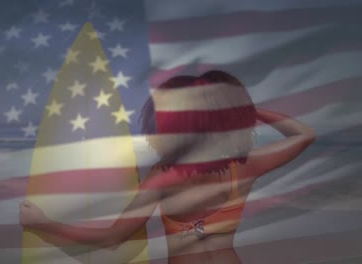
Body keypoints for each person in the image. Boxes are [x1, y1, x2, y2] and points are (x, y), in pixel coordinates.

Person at [19, 70, 316, 263]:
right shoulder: (245, 167)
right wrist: (244, 109)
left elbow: (111, 239)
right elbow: (304, 134)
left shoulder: (164, 178)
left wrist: (43, 224)